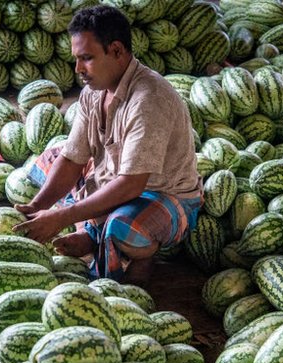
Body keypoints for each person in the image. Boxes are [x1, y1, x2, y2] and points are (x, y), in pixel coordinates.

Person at [13, 5, 202, 283]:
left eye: (87, 58)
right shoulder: (93, 92)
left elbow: (132, 184)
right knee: (49, 160)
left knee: (122, 227)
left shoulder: (149, 99)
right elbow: (72, 158)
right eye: (77, 59)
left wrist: (61, 218)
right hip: (114, 179)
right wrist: (37, 207)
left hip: (162, 196)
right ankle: (92, 233)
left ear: (116, 50)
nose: (78, 69)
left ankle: (126, 249)